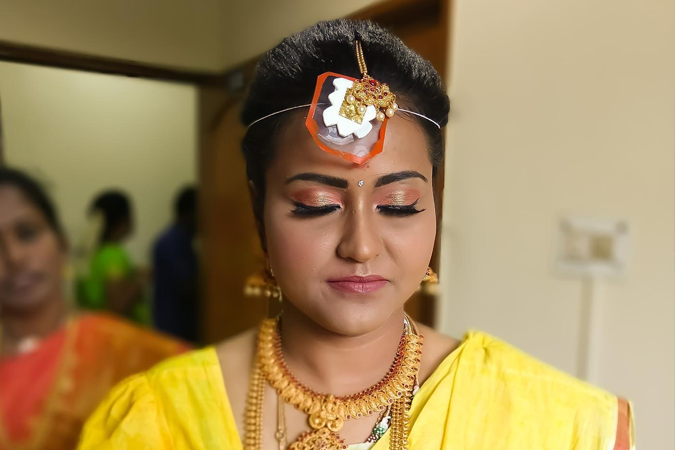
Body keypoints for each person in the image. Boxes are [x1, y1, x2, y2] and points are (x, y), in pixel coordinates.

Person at [78, 20, 633, 450]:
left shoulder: (557, 423)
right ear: (257, 210)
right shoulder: (155, 419)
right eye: (316, 206)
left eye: (399, 205)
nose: (361, 245)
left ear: (434, 205)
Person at [0, 167, 188, 450]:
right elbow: (117, 300)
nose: (14, 256)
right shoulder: (111, 255)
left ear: (61, 243)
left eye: (27, 234)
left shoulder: (133, 356)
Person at [77, 190, 150, 324]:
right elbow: (118, 304)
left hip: (94, 330)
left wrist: (134, 273)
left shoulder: (90, 254)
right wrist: (140, 280)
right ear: (123, 220)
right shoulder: (113, 254)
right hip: (119, 334)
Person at [152, 186, 199, 343]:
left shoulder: (181, 240)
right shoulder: (172, 243)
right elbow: (186, 284)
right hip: (173, 328)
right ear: (189, 213)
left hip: (175, 326)